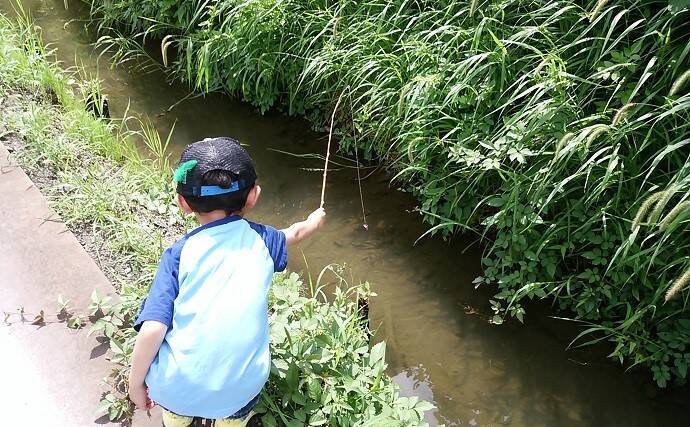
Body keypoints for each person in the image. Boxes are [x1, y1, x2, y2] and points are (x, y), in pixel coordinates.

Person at [128, 137, 326, 427]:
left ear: (183, 203)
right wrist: (314, 221)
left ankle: (178, 420)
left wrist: (135, 385)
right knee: (235, 412)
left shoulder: (178, 255)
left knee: (176, 406)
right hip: (240, 390)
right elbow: (295, 233)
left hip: (175, 389)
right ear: (253, 196)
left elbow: (153, 329)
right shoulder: (262, 240)